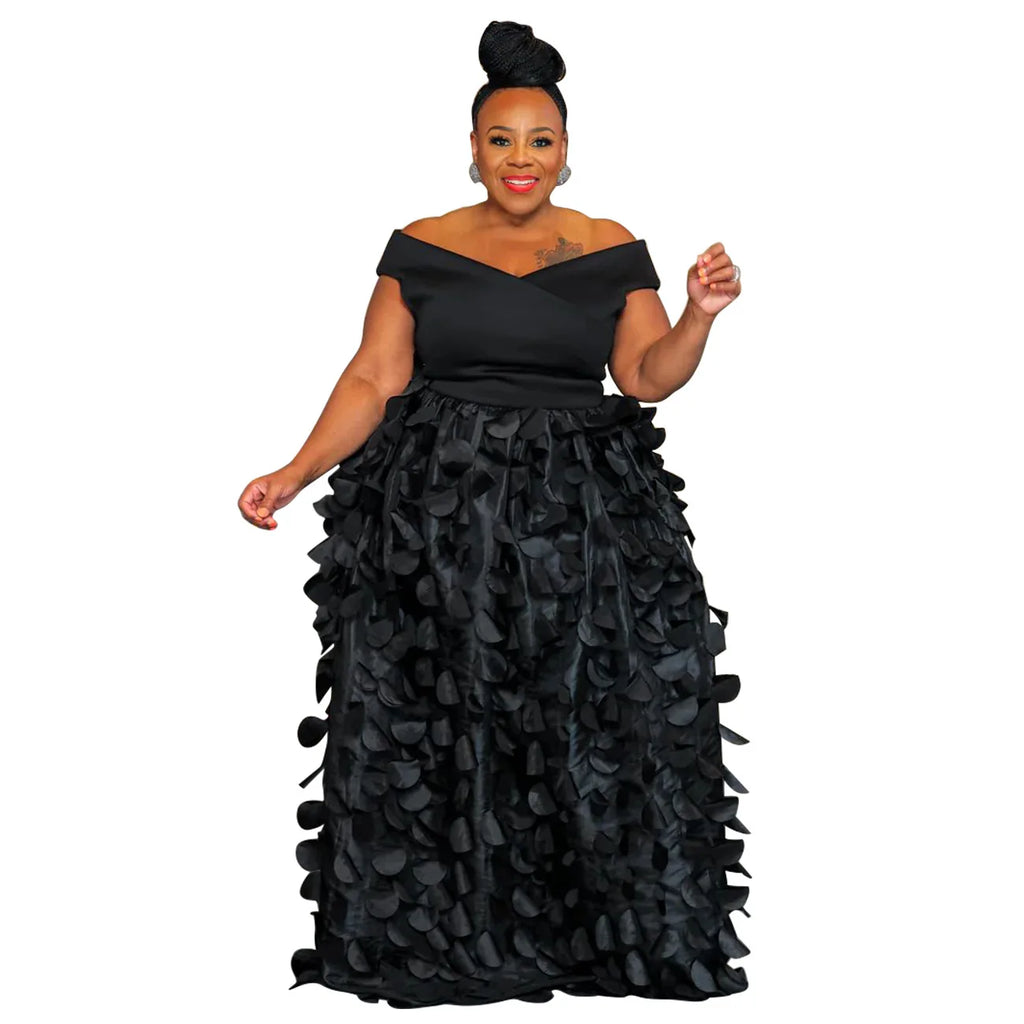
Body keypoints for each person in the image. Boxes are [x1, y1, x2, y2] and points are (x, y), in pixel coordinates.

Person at [237, 19, 750, 1009]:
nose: (521, 158)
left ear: (567, 150)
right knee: (448, 716)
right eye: (502, 139)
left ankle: (591, 940)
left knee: (583, 713)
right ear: (472, 148)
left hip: (584, 516)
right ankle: (453, 943)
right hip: (439, 516)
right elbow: (373, 375)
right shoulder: (423, 246)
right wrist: (294, 471)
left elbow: (646, 377)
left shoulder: (610, 247)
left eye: (540, 140)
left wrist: (697, 314)